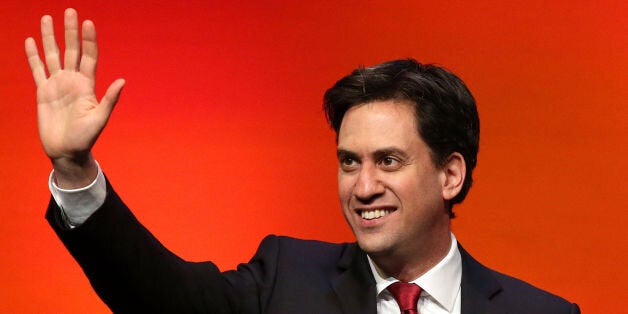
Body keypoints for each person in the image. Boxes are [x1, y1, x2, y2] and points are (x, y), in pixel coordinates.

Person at [26, 8, 580, 314]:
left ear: (450, 174)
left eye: (388, 161)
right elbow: (159, 300)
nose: (362, 187)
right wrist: (75, 170)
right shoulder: (285, 279)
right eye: (347, 162)